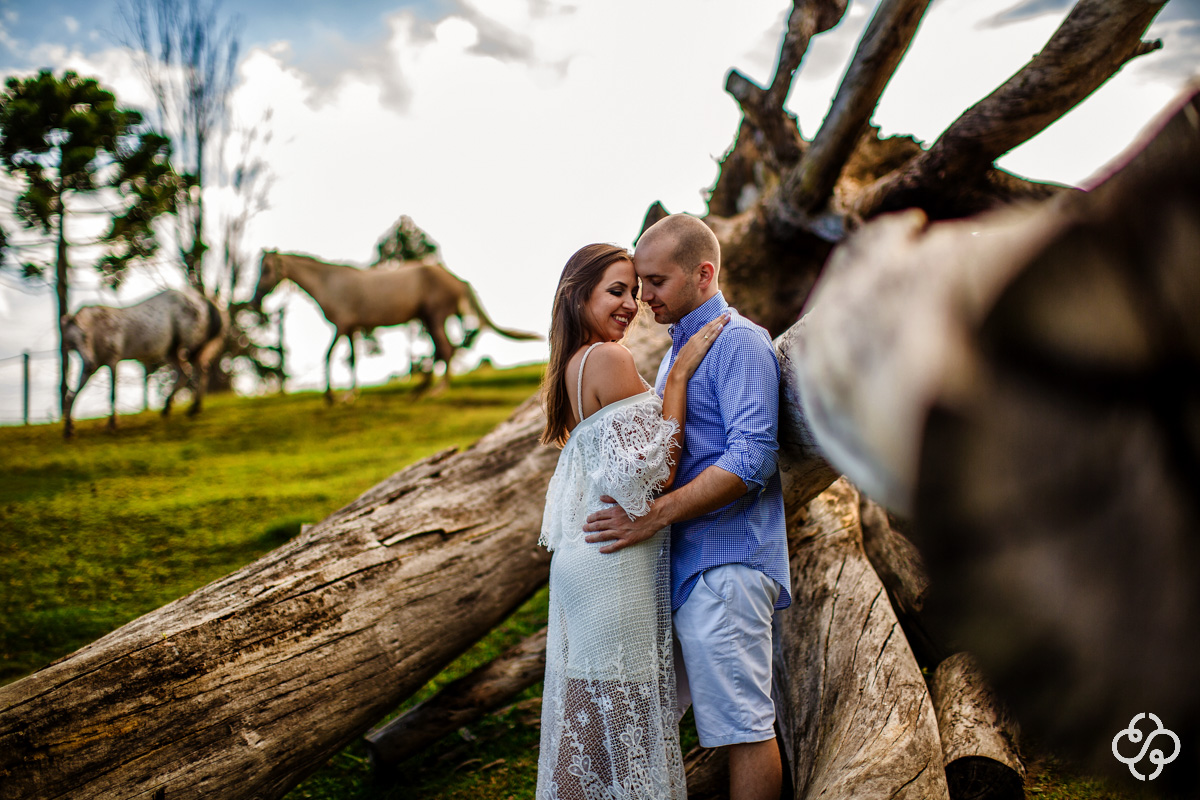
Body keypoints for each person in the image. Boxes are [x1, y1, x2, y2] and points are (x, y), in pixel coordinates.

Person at [583, 214, 791, 800]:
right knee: (642, 727)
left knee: (744, 730)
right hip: (686, 573)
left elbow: (753, 458)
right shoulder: (684, 348)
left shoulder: (738, 342)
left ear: (703, 274)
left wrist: (651, 515)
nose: (644, 297)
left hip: (726, 568)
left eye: (657, 282)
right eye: (638, 283)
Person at [536, 242, 728, 800]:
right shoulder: (608, 359)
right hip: (613, 565)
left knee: (590, 727)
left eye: (635, 291)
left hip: (589, 561)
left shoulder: (574, 366)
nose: (632, 304)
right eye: (616, 291)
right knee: (620, 733)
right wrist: (679, 377)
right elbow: (653, 478)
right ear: (579, 296)